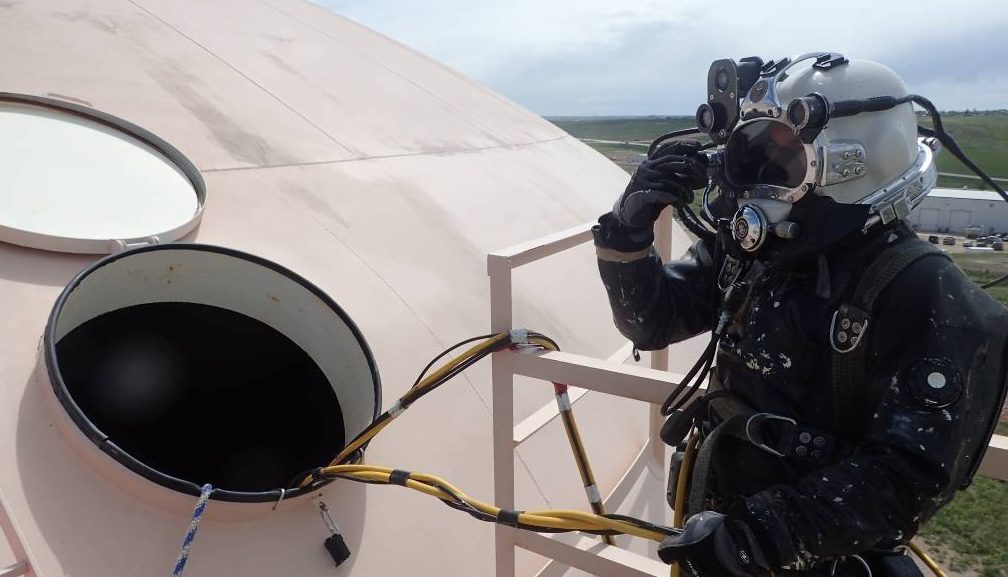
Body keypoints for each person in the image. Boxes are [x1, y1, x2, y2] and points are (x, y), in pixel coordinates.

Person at [592, 54, 1008, 577]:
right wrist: (626, 237)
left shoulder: (932, 301)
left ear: (851, 167)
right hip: (715, 519)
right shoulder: (753, 257)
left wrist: (761, 538)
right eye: (755, 152)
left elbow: (907, 479)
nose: (759, 180)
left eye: (785, 158)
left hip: (812, 558)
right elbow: (652, 322)